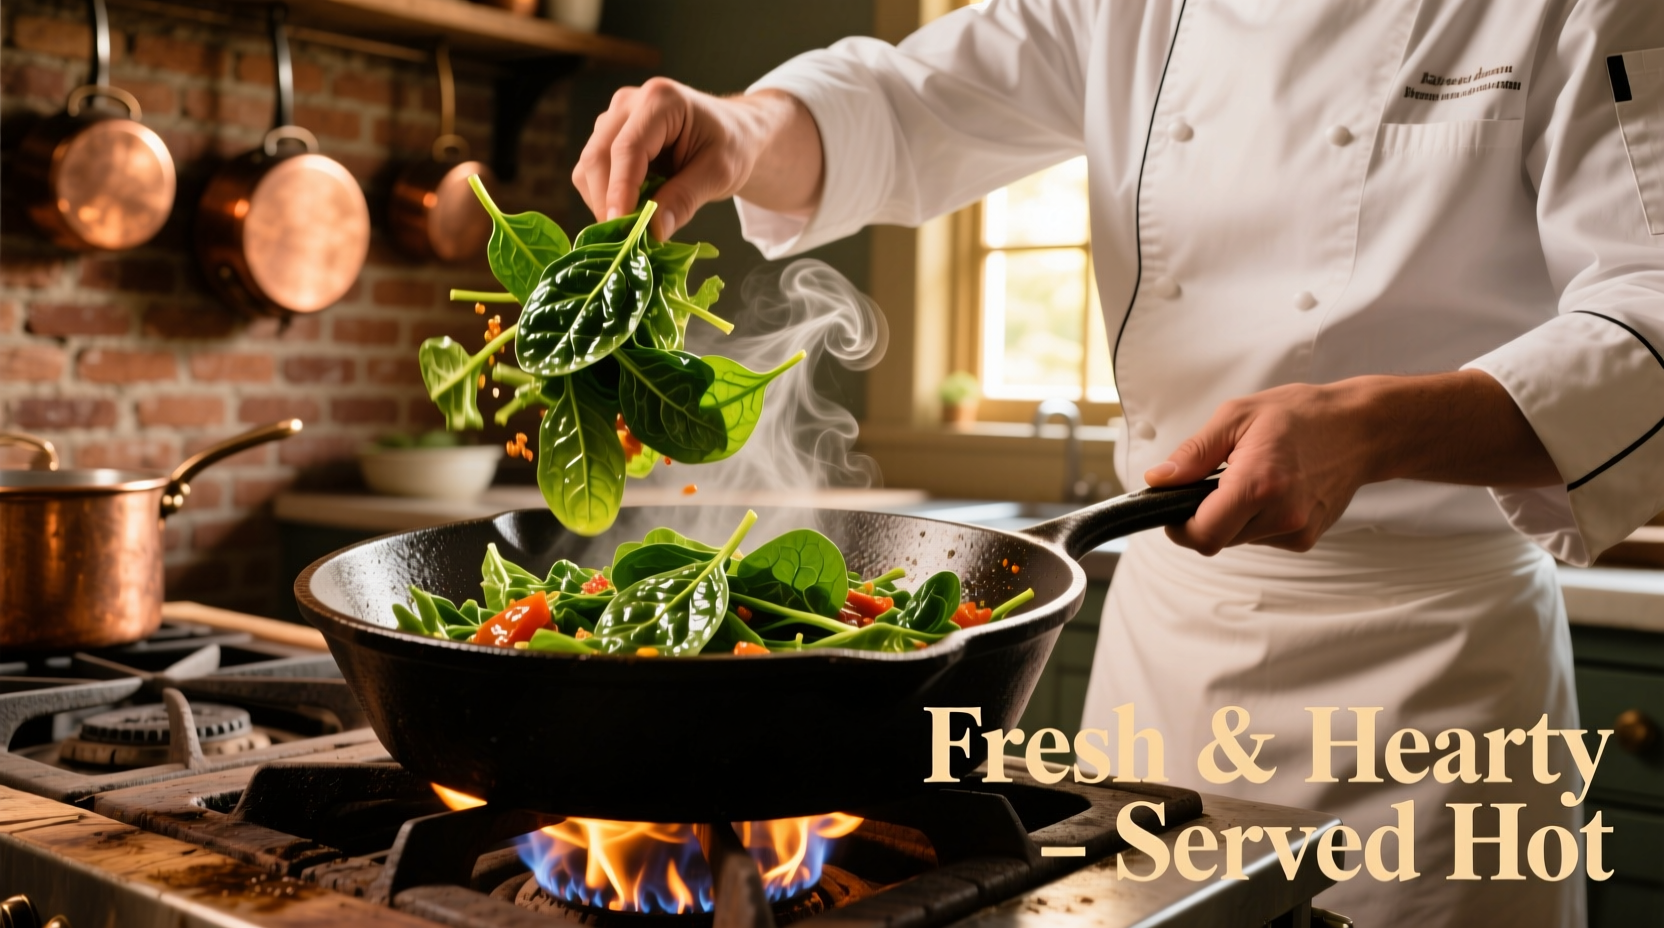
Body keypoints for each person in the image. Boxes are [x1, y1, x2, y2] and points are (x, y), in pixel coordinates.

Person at [570, 1, 1664, 923]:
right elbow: (906, 104)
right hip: (1169, 670)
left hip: (1433, 696)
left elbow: (1648, 320)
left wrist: (1373, 424)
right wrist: (742, 125)